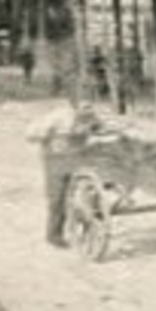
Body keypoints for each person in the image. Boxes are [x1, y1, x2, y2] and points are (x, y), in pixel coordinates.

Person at [25, 100, 109, 248]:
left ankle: (89, 222)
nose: (88, 112)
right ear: (74, 107)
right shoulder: (58, 117)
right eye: (83, 108)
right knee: (57, 198)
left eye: (89, 108)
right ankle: (53, 235)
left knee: (88, 190)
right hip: (55, 159)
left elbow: (101, 128)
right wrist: (48, 135)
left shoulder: (91, 117)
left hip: (78, 158)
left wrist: (98, 129)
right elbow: (31, 134)